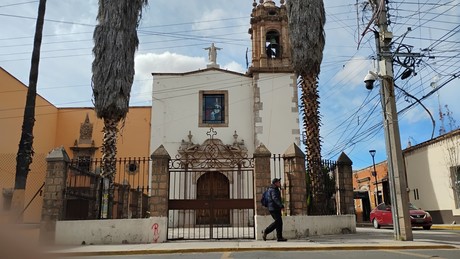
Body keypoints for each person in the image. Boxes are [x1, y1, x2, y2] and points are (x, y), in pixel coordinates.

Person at [262, 178, 287, 242]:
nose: (279, 183)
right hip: (273, 208)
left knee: (279, 222)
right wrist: (281, 206)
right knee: (278, 222)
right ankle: (266, 231)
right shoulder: (273, 190)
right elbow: (275, 198)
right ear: (275, 183)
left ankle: (279, 237)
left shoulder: (274, 189)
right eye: (278, 182)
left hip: (275, 208)